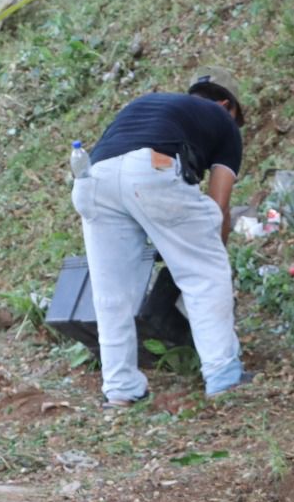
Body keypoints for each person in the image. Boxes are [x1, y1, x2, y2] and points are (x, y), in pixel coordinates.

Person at [73, 68, 251, 407]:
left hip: (92, 179)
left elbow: (122, 167)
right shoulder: (223, 123)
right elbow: (219, 205)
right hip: (152, 170)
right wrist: (211, 249)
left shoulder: (153, 104)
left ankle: (121, 389)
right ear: (227, 105)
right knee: (205, 273)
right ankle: (224, 375)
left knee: (112, 293)